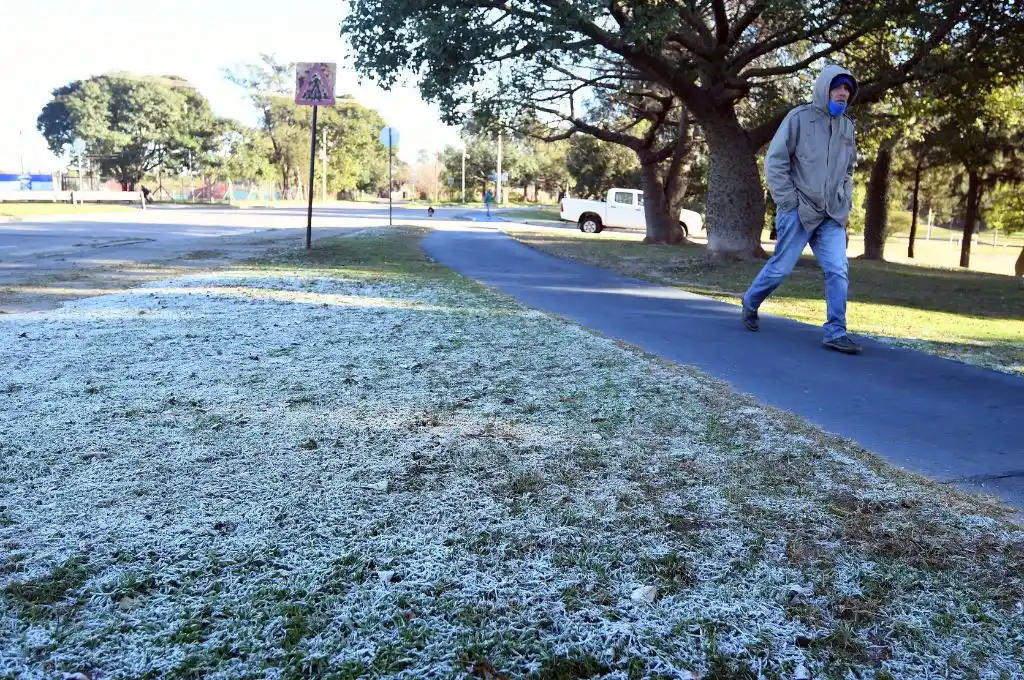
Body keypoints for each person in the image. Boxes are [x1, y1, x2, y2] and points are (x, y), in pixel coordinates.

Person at [741, 64, 862, 355]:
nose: (843, 94)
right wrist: (789, 202)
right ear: (824, 89)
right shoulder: (799, 118)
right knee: (781, 269)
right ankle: (751, 301)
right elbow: (775, 161)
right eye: (838, 87)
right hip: (799, 210)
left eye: (847, 89)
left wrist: (844, 199)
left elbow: (848, 170)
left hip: (831, 214)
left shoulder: (847, 126)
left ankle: (835, 331)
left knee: (838, 270)